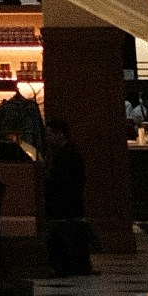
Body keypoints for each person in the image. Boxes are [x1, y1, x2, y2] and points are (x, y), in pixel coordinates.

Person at [43, 113, 95, 277]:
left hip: (66, 203)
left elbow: (62, 180)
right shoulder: (68, 152)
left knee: (66, 232)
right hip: (70, 202)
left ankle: (68, 265)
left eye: (50, 134)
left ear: (60, 134)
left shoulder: (67, 154)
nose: (48, 139)